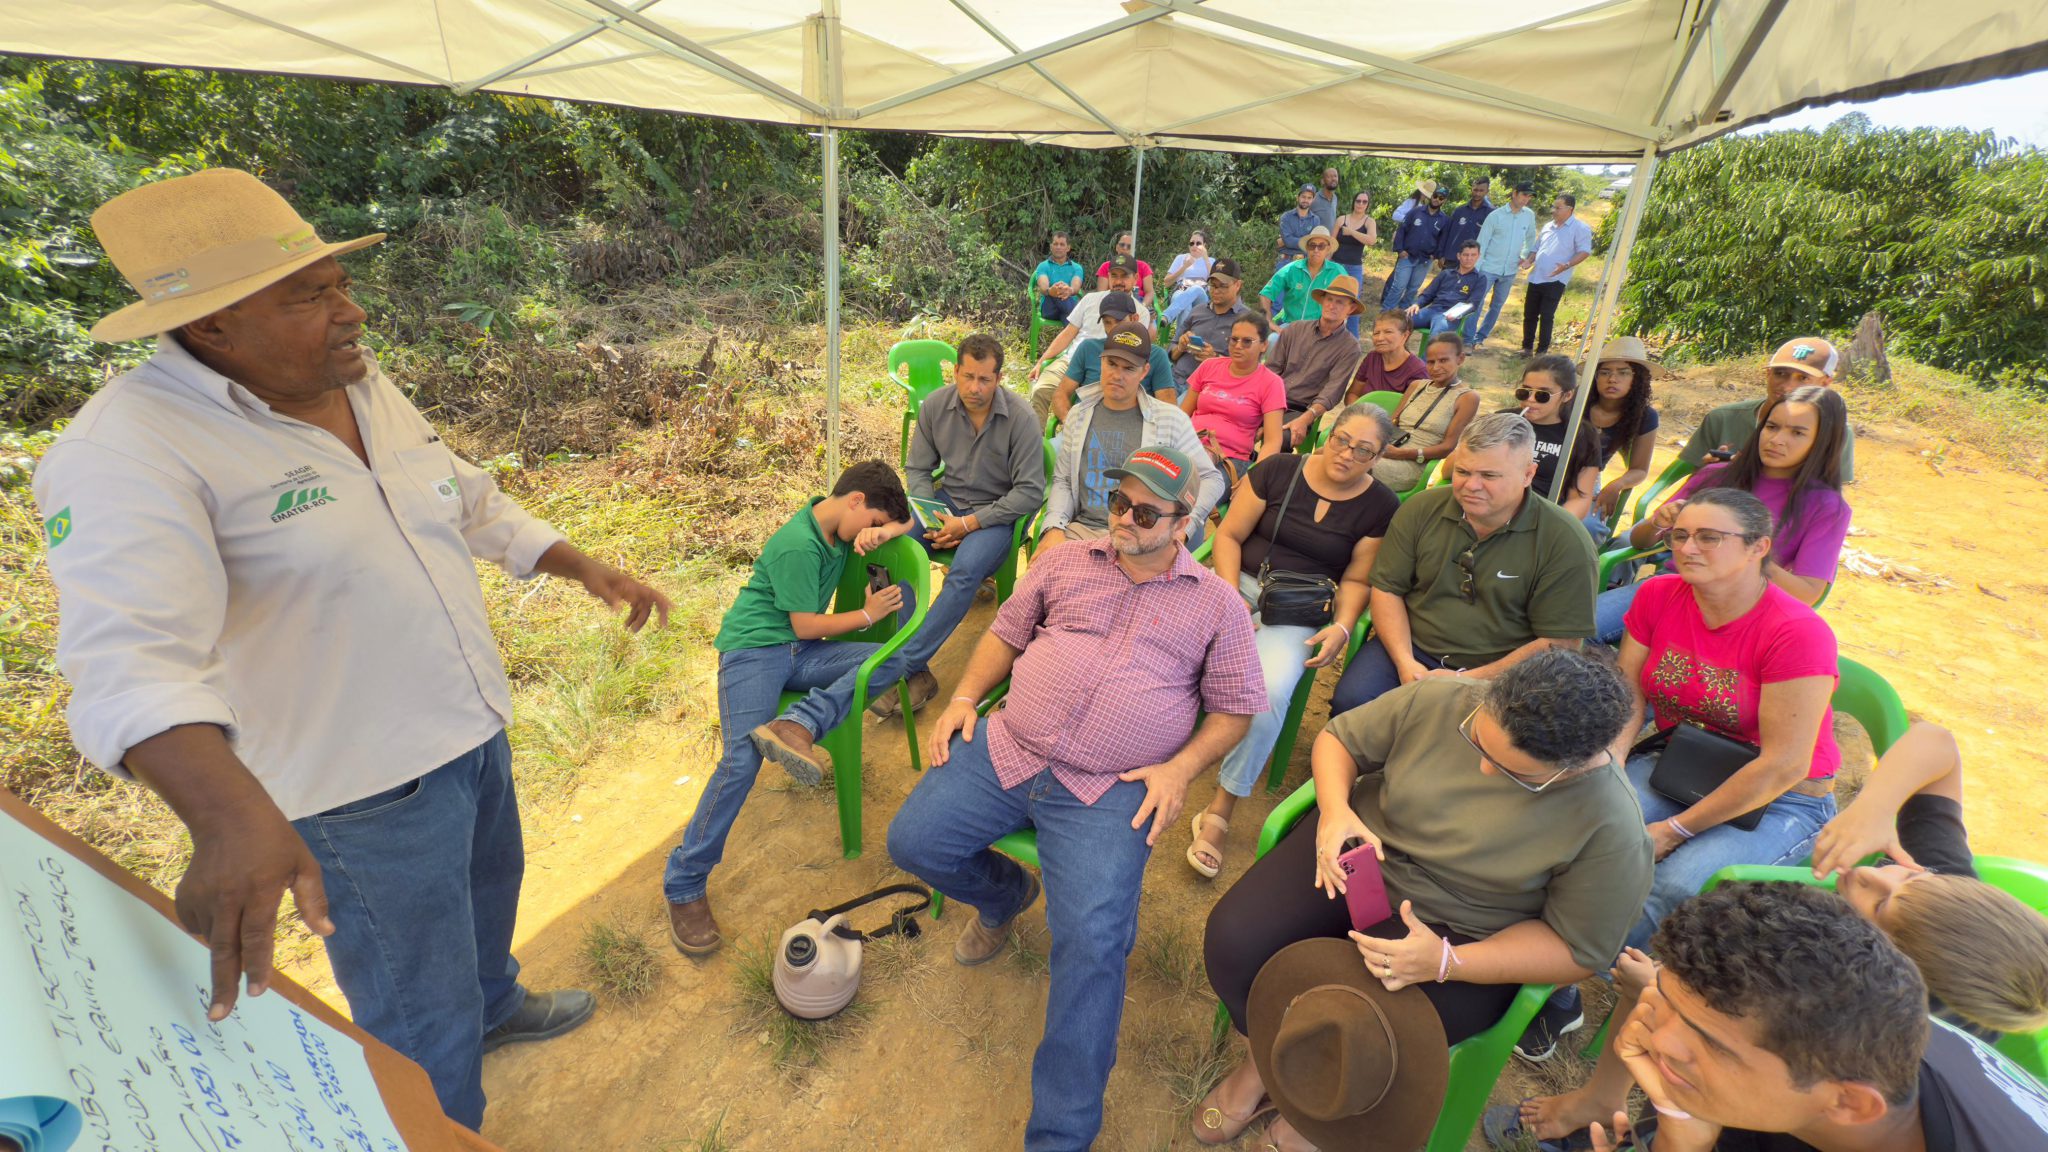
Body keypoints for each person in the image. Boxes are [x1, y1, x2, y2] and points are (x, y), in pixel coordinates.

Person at [33, 169, 675, 1129]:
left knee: (487, 895)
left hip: (468, 721)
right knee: (420, 1017)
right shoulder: (127, 453)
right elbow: (128, 658)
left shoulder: (357, 382)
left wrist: (578, 563)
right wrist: (227, 821)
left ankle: (496, 1003)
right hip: (359, 793)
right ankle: (440, 1127)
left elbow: (460, 493)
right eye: (310, 296)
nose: (352, 310)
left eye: (338, 283)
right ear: (211, 327)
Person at [889, 445, 1266, 1152]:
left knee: (1093, 944)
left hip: (1111, 787)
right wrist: (964, 697)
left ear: (1184, 524)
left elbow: (1236, 708)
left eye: (1146, 512)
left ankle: (1061, 1135)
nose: (1124, 518)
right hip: (1010, 747)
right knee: (912, 841)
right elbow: (1005, 633)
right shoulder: (1064, 562)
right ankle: (1006, 896)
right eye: (1119, 502)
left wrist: (1181, 768)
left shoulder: (1217, 604)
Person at [1498, 720, 2048, 1149]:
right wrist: (1874, 810)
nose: (1866, 873)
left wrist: (1660, 1001)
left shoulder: (1837, 1045)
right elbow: (1936, 742)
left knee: (1671, 1001)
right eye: (1910, 875)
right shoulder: (1945, 897)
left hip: (1771, 1096)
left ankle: (1631, 1112)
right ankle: (1606, 1098)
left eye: (1877, 907)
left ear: (1883, 974)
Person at [1195, 650, 1653, 1151]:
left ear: (1569, 769)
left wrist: (1448, 961)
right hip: (1361, 854)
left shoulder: (1613, 826)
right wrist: (1335, 811)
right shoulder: (1443, 697)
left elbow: (1575, 949)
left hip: (1464, 933)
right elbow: (1339, 740)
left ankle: (1315, 1109)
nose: (1483, 769)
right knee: (1237, 942)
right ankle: (1266, 1066)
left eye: (1514, 774)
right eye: (1477, 739)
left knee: (1364, 1025)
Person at [1584, 884, 2048, 1152]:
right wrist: (1677, 1121)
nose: (1659, 1039)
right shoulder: (1842, 1045)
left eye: (1711, 1043)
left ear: (1850, 1104)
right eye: (1667, 997)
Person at [667, 461, 918, 951]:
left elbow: (911, 520)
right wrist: (867, 614)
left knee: (893, 657)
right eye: (871, 523)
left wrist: (886, 528)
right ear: (855, 501)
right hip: (754, 651)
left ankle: (799, 723)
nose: (870, 535)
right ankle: (684, 881)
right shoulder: (798, 544)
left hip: (801, 653)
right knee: (741, 761)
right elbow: (804, 624)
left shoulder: (837, 528)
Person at [1183, 403, 1400, 878]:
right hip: (1236, 584)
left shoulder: (1381, 507)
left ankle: (1220, 808)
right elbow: (1229, 536)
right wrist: (1230, 596)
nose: (1347, 454)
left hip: (1299, 608)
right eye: (1342, 440)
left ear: (1379, 457)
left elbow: (1357, 579)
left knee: (1269, 692)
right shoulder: (1279, 470)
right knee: (1164, 647)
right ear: (1329, 433)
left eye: (1363, 450)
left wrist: (1343, 626)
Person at [1332, 412, 1598, 716]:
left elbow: (1560, 641)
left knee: (1464, 737)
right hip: (1411, 648)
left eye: (1489, 476)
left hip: (1504, 671)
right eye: (1462, 471)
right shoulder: (1421, 508)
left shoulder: (1565, 540)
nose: (1472, 485)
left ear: (1528, 474)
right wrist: (1405, 662)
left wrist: (1467, 680)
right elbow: (1387, 588)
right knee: (1352, 704)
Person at [1594, 385, 1851, 644]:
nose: (1776, 439)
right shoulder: (1716, 475)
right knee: (1577, 627)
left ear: (1823, 442)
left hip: (1740, 614)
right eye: (1772, 427)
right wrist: (1657, 523)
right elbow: (1639, 542)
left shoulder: (1827, 507)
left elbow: (1807, 594)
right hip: (1672, 589)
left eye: (1797, 432)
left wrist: (1749, 555)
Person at [889, 333, 1048, 717]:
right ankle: (913, 665)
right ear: (956, 371)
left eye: (985, 379)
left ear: (999, 378)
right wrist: (929, 514)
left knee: (963, 573)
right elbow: (918, 469)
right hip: (945, 504)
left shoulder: (1021, 417)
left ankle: (902, 665)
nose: (975, 388)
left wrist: (969, 524)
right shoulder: (935, 406)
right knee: (896, 550)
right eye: (968, 377)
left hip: (996, 515)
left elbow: (1029, 492)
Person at [1040, 324, 1224, 551]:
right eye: (1111, 364)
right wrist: (1054, 528)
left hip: (1142, 537)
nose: (1117, 375)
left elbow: (1211, 479)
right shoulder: (1079, 414)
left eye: (1129, 368)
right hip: (1083, 531)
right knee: (1039, 572)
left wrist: (1183, 530)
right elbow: (1063, 480)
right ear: (1101, 361)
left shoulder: (1169, 420)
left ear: (1144, 372)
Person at [1679, 337, 1857, 483]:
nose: (1787, 386)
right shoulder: (1723, 419)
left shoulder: (1836, 432)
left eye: (1802, 378)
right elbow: (1693, 483)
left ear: (1825, 383)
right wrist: (1711, 472)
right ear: (1768, 374)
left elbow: (1829, 496)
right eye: (1780, 373)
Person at [1180, 312, 1286, 484]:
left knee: (1193, 490)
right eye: (1234, 339)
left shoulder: (1271, 383)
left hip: (1230, 459)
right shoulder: (1209, 366)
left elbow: (1273, 441)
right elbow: (1182, 414)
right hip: (1190, 445)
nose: (1238, 346)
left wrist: (1253, 481)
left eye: (1247, 341)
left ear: (1264, 345)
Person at [1267, 275, 1368, 453]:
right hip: (1270, 400)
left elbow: (1331, 393)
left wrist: (1306, 418)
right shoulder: (1295, 329)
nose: (1332, 305)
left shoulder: (1349, 347)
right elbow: (1271, 370)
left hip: (1300, 409)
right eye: (1329, 299)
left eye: (1340, 302)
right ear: (1322, 301)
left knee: (1283, 438)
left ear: (1351, 309)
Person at [1369, 331, 1479, 494]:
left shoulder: (1467, 397)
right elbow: (1392, 422)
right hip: (1390, 448)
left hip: (1415, 463)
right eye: (1430, 362)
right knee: (1338, 453)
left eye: (1443, 360)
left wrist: (1402, 454)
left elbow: (1448, 447)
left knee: (1355, 463)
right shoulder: (1416, 386)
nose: (1436, 368)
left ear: (1460, 359)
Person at [1028, 254, 1148, 395]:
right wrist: (1041, 361)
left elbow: (1132, 353)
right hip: (1071, 361)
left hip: (1105, 370)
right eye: (1114, 275)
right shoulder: (1090, 299)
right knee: (1041, 391)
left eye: (1124, 276)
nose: (1118, 281)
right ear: (1108, 277)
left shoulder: (1140, 313)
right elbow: (1068, 333)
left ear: (1136, 278)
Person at [1050, 293, 1179, 421]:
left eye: (1119, 321)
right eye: (1107, 322)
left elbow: (1168, 408)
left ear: (1134, 318)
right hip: (1085, 422)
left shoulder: (1156, 355)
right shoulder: (1088, 348)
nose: (1113, 328)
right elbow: (1060, 394)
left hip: (1134, 426)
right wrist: (1069, 422)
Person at [1582, 336, 1660, 537]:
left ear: (1637, 379)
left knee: (1589, 527)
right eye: (1605, 372)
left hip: (1589, 480)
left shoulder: (1645, 416)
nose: (1612, 379)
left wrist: (1616, 485)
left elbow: (1639, 469)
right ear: (1595, 376)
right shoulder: (1575, 402)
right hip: (1551, 471)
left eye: (1623, 373)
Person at [1513, 354, 1605, 522]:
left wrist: (1550, 526)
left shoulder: (1580, 435)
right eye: (1525, 392)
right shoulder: (1505, 421)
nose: (1530, 400)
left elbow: (1579, 498)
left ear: (1567, 395)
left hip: (1544, 514)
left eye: (1543, 395)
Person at [1518, 193, 1593, 355]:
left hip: (1556, 279)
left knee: (1546, 316)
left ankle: (1542, 352)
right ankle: (1526, 347)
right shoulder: (1548, 226)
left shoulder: (1580, 228)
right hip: (1536, 277)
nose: (1553, 210)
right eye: (1553, 207)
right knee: (1529, 314)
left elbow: (1584, 251)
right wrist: (1529, 261)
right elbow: (1536, 248)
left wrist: (1566, 265)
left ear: (1569, 209)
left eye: (1558, 208)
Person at [1169, 257, 1250, 394]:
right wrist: (1181, 347)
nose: (1216, 291)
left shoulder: (1247, 320)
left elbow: (1246, 368)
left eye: (1223, 286)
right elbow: (1171, 354)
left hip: (1209, 389)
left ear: (1237, 285)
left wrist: (1215, 359)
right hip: (1175, 379)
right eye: (1212, 285)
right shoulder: (1198, 311)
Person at [1472, 183, 1537, 346]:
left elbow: (1530, 238)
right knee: (1477, 303)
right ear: (1514, 193)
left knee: (1497, 305)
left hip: (1509, 270)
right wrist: (1477, 268)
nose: (1526, 199)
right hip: (1488, 268)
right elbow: (1482, 243)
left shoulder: (1529, 215)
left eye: (1529, 196)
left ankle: (1480, 337)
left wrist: (1524, 256)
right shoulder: (1495, 216)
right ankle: (1468, 337)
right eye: (1524, 195)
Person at [1258, 224, 1342, 326]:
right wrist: (1268, 321)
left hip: (1320, 329)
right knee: (1272, 336)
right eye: (1312, 245)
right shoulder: (1292, 268)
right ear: (1307, 248)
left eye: (1321, 246)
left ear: (1328, 249)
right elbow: (1266, 294)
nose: (1316, 250)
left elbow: (1347, 301)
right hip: (1290, 325)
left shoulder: (1337, 272)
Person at [1408, 239, 1490, 341]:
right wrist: (1417, 304)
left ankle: (1430, 352)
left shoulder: (1480, 279)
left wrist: (1456, 314)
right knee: (1401, 321)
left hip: (1450, 316)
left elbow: (1473, 304)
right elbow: (1428, 293)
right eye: (1465, 255)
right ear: (1459, 256)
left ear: (1478, 256)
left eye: (1473, 255)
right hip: (1432, 310)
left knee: (1437, 333)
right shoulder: (1446, 274)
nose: (1469, 258)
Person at [1381, 185, 1448, 310]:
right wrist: (1400, 250)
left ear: (1444, 201)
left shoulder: (1444, 220)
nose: (1436, 199)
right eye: (1435, 196)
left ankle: (1403, 314)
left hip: (1425, 261)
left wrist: (1435, 255)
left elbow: (1442, 240)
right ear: (1431, 196)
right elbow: (1402, 230)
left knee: (1412, 289)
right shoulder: (1415, 212)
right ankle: (1385, 313)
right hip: (1407, 256)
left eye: (1441, 198)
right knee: (1398, 287)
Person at [1346, 308, 1432, 404]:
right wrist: (1358, 411)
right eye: (1376, 333)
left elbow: (1417, 408)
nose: (1380, 338)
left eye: (1388, 332)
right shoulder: (1372, 358)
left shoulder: (1417, 371)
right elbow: (1352, 394)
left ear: (1405, 335)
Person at [1331, 190, 1378, 338]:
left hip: (1354, 268)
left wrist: (1351, 232)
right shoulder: (1341, 219)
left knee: (1353, 305)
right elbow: (1331, 243)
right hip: (1336, 265)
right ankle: (1330, 337)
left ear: (1368, 204)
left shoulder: (1369, 221)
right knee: (1331, 301)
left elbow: (1371, 240)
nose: (1361, 204)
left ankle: (1353, 341)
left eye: (1364, 202)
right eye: (1358, 201)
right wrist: (1326, 263)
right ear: (1354, 202)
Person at [1159, 229, 1215, 325]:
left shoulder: (1211, 261)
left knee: (1196, 288)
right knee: (1186, 306)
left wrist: (1206, 259)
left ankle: (1167, 316)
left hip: (1201, 296)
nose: (1194, 246)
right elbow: (1166, 283)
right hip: (1181, 291)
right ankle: (1180, 335)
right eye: (1192, 243)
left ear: (1204, 246)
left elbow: (1214, 283)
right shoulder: (1181, 258)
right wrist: (1184, 267)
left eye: (1198, 243)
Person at [1438, 177, 1493, 267]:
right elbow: (1446, 233)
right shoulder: (1459, 210)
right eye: (1475, 190)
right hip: (1452, 258)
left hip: (1472, 262)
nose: (1477, 193)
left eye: (1481, 190)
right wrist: (1441, 255)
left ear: (1487, 191)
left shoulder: (1491, 214)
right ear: (1471, 189)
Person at [1033, 231, 1085, 323]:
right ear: (1051, 247)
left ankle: (1072, 328)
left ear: (1068, 248)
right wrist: (1054, 290)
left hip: (1068, 307)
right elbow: (1044, 288)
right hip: (1049, 309)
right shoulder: (1043, 266)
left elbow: (1075, 288)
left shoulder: (1076, 268)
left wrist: (1069, 290)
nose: (1058, 247)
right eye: (1055, 244)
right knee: (1060, 294)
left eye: (1062, 244)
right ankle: (1079, 318)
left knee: (1067, 315)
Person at [1096, 229, 1157, 302]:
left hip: (1138, 302)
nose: (1124, 248)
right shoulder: (1105, 266)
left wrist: (1142, 306)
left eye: (1129, 246)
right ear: (1117, 247)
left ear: (1134, 249)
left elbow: (1149, 292)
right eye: (1122, 245)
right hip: (1111, 301)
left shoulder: (1143, 266)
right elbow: (1101, 294)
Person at [1277, 183, 1320, 263]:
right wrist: (1307, 241)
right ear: (1298, 197)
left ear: (1313, 200)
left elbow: (1314, 244)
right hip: (1286, 260)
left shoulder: (1315, 220)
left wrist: (1291, 240)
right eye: (1303, 197)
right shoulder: (1286, 217)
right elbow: (1288, 242)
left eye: (1309, 198)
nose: (1306, 200)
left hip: (1306, 261)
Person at [1310, 165, 1342, 233]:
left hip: (1330, 238)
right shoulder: (1313, 198)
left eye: (1335, 176)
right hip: (1316, 238)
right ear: (1322, 181)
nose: (1333, 179)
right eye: (1329, 177)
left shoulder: (1335, 198)